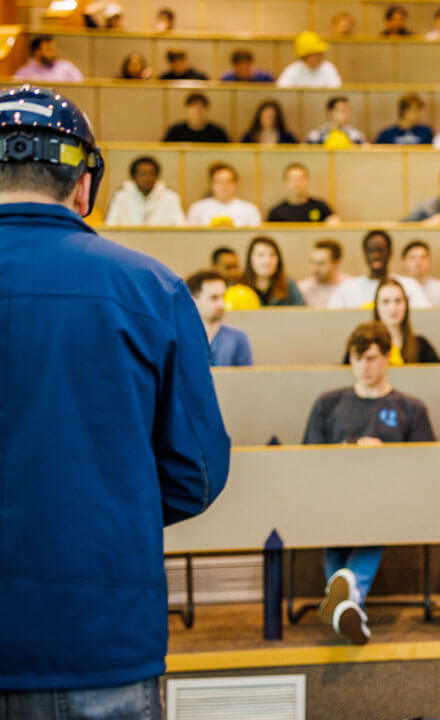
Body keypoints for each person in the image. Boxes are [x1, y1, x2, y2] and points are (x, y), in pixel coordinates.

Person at [0, 86, 227, 709]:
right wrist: (106, 512)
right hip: (104, 635)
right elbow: (197, 473)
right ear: (85, 186)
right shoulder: (151, 289)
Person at [305, 322, 435, 645]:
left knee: (377, 515)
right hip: (333, 497)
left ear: (388, 358)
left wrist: (385, 454)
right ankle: (350, 602)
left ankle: (344, 594)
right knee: (333, 517)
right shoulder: (327, 404)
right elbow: (306, 459)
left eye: (372, 358)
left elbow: (430, 462)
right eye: (357, 358)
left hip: (389, 500)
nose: (364, 366)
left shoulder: (410, 408)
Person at [330, 230, 431, 309]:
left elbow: (423, 317)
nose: (376, 255)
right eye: (371, 250)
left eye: (380, 250)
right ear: (364, 254)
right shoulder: (347, 288)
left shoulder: (408, 286)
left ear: (390, 252)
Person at [351, 279, 440, 364]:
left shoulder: (421, 346)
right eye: (385, 302)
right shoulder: (362, 344)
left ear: (406, 305)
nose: (393, 308)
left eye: (398, 301)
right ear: (377, 306)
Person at [186, 270, 252, 366]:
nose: (221, 304)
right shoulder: (181, 339)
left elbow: (247, 378)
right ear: (193, 301)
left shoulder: (238, 338)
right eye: (214, 298)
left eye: (223, 297)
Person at [104, 155, 185, 226]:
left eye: (151, 174)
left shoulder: (170, 197)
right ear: (133, 177)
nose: (148, 178)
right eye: (142, 174)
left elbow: (180, 226)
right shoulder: (121, 196)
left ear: (157, 176)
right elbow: (111, 225)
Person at [232, 236, 306, 306]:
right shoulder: (236, 286)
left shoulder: (289, 286)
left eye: (272, 255)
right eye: (260, 255)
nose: (267, 261)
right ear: (250, 259)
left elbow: (302, 314)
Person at [186, 163, 261, 227]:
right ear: (212, 184)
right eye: (219, 182)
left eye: (228, 181)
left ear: (235, 184)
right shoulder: (197, 208)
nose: (224, 186)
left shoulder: (250, 209)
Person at [267, 163, 338, 223]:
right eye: (292, 179)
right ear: (285, 182)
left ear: (307, 181)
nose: (297, 184)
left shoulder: (321, 207)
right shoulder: (276, 213)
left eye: (300, 179)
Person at [401, 239, 440, 307]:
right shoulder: (397, 289)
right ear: (404, 261)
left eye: (423, 257)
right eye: (413, 258)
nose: (418, 262)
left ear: (429, 261)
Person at [277, 31, 343, 88]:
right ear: (305, 56)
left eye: (321, 53)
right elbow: (282, 89)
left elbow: (337, 90)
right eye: (317, 54)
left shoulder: (328, 68)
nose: (321, 56)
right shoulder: (293, 69)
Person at [297, 238, 349, 308]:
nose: (315, 269)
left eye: (321, 263)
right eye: (312, 262)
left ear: (336, 263)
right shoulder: (302, 289)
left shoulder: (350, 286)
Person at [163, 92, 230, 143]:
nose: (198, 109)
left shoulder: (218, 132)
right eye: (193, 106)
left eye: (202, 106)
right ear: (186, 109)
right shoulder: (175, 131)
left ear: (207, 109)